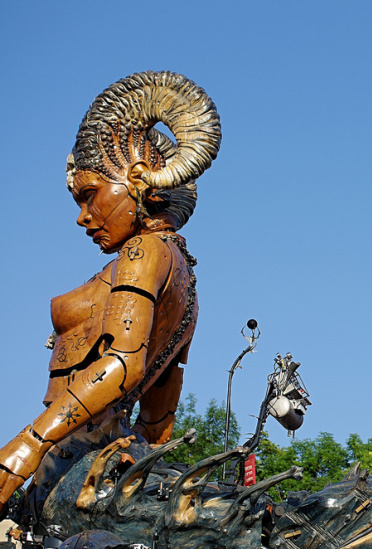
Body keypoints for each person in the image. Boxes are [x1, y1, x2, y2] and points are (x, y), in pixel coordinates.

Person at [0, 71, 221, 509]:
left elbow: (123, 364)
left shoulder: (143, 252)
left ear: (139, 179)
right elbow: (159, 417)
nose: (83, 217)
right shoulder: (184, 277)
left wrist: (27, 445)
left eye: (90, 194)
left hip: (70, 456)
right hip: (85, 467)